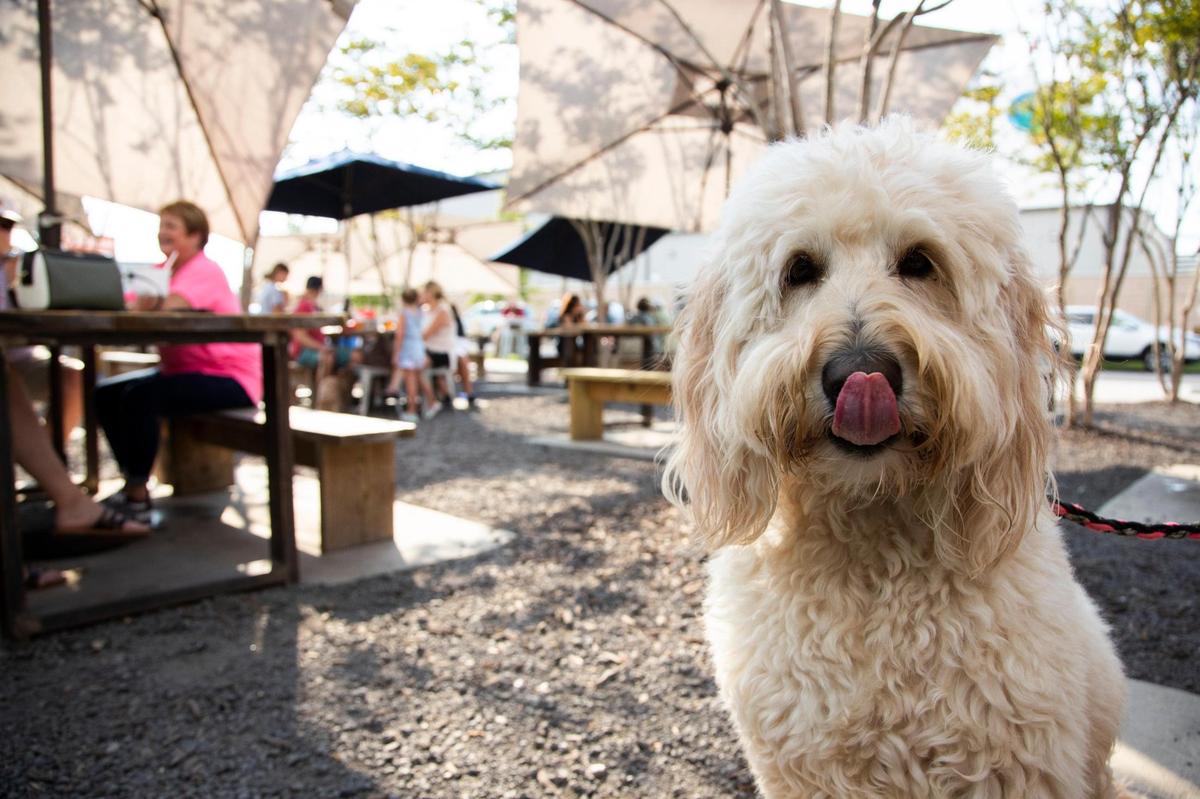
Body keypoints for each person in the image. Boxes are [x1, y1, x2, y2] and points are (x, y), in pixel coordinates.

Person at [96, 201, 261, 519]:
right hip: (182, 371)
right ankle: (134, 478)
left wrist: (145, 304)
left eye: (171, 225)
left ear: (195, 235)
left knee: (139, 398)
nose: (163, 232)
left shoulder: (203, 269)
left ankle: (137, 491)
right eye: (162, 225)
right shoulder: (162, 271)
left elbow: (168, 305)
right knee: (106, 393)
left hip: (229, 377)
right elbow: (125, 302)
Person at [1, 205, 83, 450]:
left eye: (7, 227)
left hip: (23, 355)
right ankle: (45, 467)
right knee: (5, 376)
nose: (4, 232)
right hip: (6, 360)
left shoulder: (20, 265)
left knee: (71, 374)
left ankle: (47, 455)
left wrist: (18, 281)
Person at [290, 276, 355, 409]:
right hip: (303, 352)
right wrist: (321, 347)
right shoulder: (303, 306)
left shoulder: (315, 307)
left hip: (320, 348)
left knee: (354, 356)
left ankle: (340, 395)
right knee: (327, 358)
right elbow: (299, 336)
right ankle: (320, 399)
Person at [386, 288, 438, 423]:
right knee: (419, 377)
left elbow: (400, 335)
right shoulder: (420, 312)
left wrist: (396, 353)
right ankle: (432, 401)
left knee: (411, 380)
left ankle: (412, 410)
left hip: (409, 348)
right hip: (419, 347)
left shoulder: (405, 313)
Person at [421, 281, 456, 409]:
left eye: (424, 292)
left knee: (414, 364)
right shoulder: (426, 310)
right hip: (428, 350)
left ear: (431, 293)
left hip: (441, 353)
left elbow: (426, 335)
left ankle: (431, 400)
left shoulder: (442, 311)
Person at [450, 302, 476, 408]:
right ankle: (468, 391)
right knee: (461, 361)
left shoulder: (456, 323)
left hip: (455, 349)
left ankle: (468, 391)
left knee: (462, 360)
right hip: (445, 351)